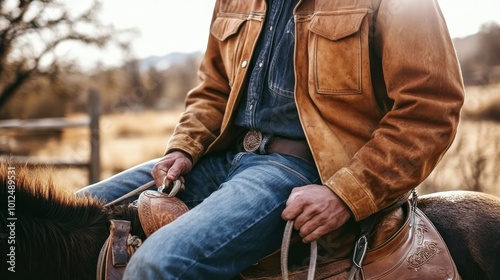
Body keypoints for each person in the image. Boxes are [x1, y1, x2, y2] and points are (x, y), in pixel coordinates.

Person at [76, 0, 464, 279]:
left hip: (299, 170)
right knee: (61, 218)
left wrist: (347, 193)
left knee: (156, 266)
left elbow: (429, 109)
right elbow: (213, 88)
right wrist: (184, 146)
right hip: (222, 158)